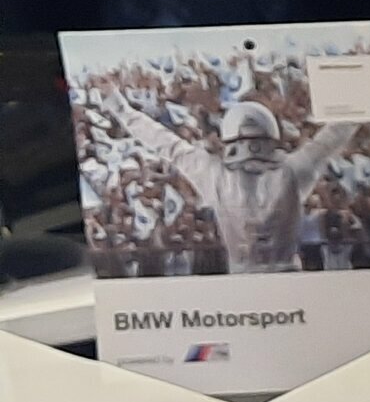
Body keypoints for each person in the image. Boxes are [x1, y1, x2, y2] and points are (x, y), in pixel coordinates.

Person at [101, 81, 356, 274]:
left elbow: (166, 143)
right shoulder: (293, 171)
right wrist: (363, 94)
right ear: (271, 134)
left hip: (242, 280)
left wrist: (119, 106)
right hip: (289, 277)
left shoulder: (214, 174)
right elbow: (332, 137)